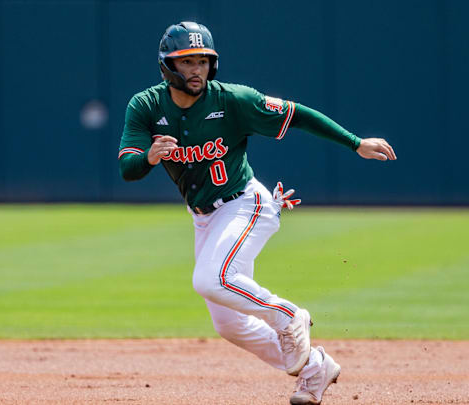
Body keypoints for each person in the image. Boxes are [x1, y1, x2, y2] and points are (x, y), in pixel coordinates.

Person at [117, 21, 396, 405]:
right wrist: (148, 157)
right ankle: (316, 369)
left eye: (203, 60)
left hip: (246, 204)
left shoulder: (232, 100)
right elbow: (128, 168)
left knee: (210, 279)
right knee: (229, 324)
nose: (196, 69)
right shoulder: (146, 106)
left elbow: (297, 114)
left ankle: (288, 315)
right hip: (204, 217)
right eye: (186, 62)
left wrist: (355, 143)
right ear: (167, 66)